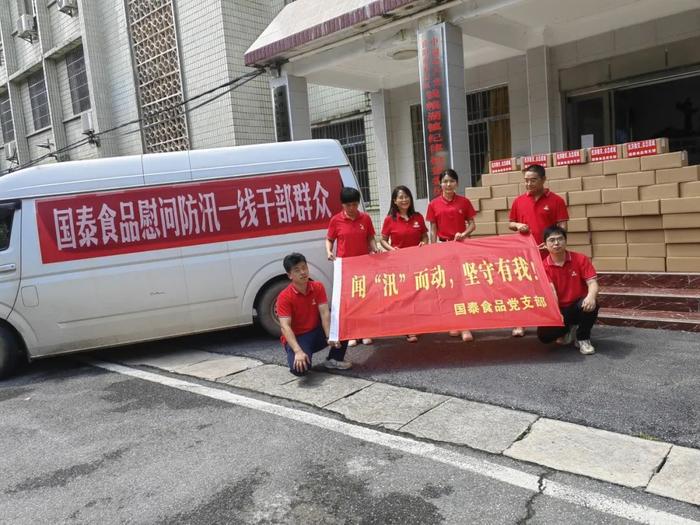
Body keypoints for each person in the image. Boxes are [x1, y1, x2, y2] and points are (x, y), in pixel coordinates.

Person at [508, 164, 569, 337]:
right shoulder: (519, 201)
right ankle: (520, 323)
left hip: (549, 254)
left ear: (543, 180)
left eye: (533, 180)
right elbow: (511, 223)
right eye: (526, 181)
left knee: (549, 289)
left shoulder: (556, 201)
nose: (528, 184)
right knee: (523, 287)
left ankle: (551, 322)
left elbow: (562, 227)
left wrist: (553, 244)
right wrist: (518, 225)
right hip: (525, 253)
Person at [277, 253, 350, 375]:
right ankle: (300, 353)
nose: (303, 272)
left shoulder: (317, 287)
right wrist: (298, 351)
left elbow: (325, 312)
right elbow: (285, 327)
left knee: (343, 321)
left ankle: (334, 359)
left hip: (316, 331)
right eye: (297, 270)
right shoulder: (284, 297)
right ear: (289, 275)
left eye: (304, 267)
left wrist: (329, 336)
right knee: (299, 370)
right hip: (299, 337)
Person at [426, 169, 477, 342]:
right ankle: (452, 322)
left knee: (463, 285)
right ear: (440, 184)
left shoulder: (464, 202)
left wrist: (464, 233)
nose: (448, 185)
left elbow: (472, 224)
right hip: (442, 246)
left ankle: (466, 325)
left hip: (461, 246)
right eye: (445, 181)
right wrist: (433, 248)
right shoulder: (433, 204)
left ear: (457, 183)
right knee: (447, 286)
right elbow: (433, 228)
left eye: (451, 181)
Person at [326, 187, 378, 347]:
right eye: (348, 205)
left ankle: (366, 332)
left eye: (355, 204)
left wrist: (374, 248)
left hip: (364, 265)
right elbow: (329, 239)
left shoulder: (365, 218)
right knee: (349, 301)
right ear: (343, 205)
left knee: (365, 299)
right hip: (346, 267)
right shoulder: (336, 220)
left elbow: (370, 238)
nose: (352, 208)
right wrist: (328, 251)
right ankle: (353, 334)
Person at [537, 226, 599, 355]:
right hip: (560, 307)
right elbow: (551, 291)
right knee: (544, 336)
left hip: (577, 305)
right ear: (545, 245)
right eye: (552, 240)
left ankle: (583, 338)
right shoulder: (543, 265)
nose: (556, 243)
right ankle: (569, 329)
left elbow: (592, 283)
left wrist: (591, 297)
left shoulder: (580, 259)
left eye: (560, 239)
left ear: (565, 241)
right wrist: (556, 313)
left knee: (591, 304)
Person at [380, 185, 428, 343]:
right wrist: (391, 249)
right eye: (400, 197)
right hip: (400, 265)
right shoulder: (390, 220)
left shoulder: (418, 217)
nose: (404, 199)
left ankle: (420, 323)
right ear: (394, 201)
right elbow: (383, 240)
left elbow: (425, 236)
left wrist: (423, 243)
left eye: (406, 196)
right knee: (405, 296)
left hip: (417, 263)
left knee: (418, 294)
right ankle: (408, 327)